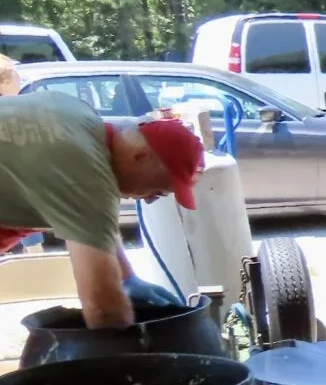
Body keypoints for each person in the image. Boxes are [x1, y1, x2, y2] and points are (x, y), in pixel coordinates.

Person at [0, 91, 205, 325]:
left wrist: (126, 277)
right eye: (158, 190)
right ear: (141, 156)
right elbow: (102, 309)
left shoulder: (77, 113)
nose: (149, 199)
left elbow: (94, 222)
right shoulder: (84, 175)